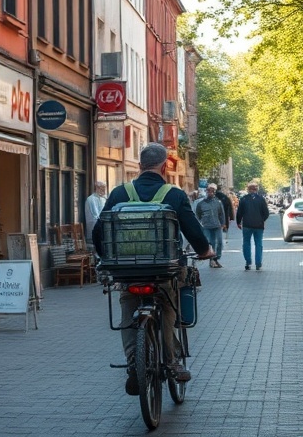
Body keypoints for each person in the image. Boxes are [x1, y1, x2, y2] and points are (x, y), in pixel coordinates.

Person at [92, 142, 215, 395]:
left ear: (139, 166)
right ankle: (170, 362)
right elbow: (192, 230)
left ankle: (133, 363)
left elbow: (98, 231)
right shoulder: (174, 194)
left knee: (128, 309)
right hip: (164, 270)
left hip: (126, 270)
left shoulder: (119, 193)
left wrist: (107, 258)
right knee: (169, 307)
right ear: (164, 166)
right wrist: (205, 251)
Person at [235, 182, 271, 271]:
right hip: (259, 225)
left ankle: (248, 262)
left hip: (247, 225)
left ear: (248, 189)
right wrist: (262, 220)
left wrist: (238, 222)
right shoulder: (261, 199)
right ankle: (258, 263)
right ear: (256, 189)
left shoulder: (243, 199)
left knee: (246, 243)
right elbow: (266, 213)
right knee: (258, 244)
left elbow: (239, 212)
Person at [194, 183, 226, 267]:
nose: (210, 193)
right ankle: (212, 259)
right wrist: (201, 223)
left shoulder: (218, 202)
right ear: (206, 192)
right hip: (206, 226)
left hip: (217, 225)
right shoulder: (201, 204)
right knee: (211, 243)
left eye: (212, 192)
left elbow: (221, 214)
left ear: (214, 192)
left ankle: (216, 258)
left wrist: (223, 223)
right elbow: (198, 215)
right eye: (208, 191)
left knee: (219, 242)